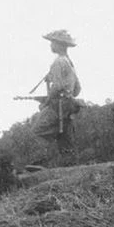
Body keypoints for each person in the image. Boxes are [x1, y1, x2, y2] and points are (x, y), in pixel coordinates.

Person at [32, 29, 81, 164]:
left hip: (58, 104)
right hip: (69, 104)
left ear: (59, 44)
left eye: (52, 43)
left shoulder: (58, 62)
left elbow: (57, 86)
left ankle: (40, 162)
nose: (50, 45)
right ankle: (69, 167)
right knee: (65, 138)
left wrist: (47, 101)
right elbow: (77, 89)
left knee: (38, 130)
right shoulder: (69, 63)